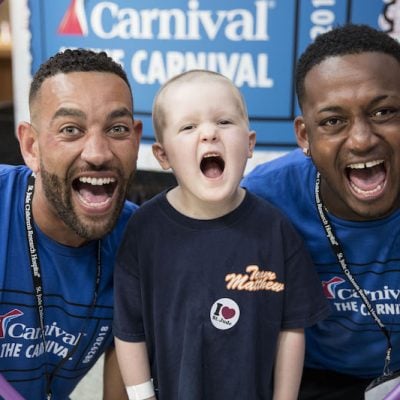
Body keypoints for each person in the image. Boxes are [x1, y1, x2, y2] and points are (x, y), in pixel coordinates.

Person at [113, 69, 330, 400]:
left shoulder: (275, 229)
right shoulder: (144, 231)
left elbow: (292, 328)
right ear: (163, 156)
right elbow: (129, 331)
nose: (209, 134)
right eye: (188, 127)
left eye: (225, 122)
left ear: (250, 143)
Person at [241, 24, 400, 399]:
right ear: (304, 136)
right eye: (333, 121)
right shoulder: (265, 200)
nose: (362, 140)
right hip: (310, 378)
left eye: (384, 112)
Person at [0, 48, 142, 399]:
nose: (97, 152)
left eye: (117, 129)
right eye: (71, 129)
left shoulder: (141, 241)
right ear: (31, 145)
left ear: (136, 140)